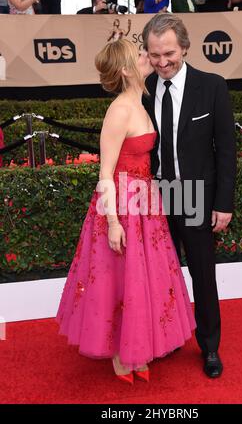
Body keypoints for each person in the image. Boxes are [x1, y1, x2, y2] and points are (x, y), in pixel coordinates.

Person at [56, 38, 196, 384]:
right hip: (122, 206)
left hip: (145, 203)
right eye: (140, 54)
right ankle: (121, 354)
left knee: (143, 279)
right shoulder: (119, 109)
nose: (148, 56)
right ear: (125, 68)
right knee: (119, 281)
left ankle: (137, 348)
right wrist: (114, 222)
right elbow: (105, 172)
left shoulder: (141, 102)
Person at [142, 13, 236, 378]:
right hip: (156, 195)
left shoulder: (212, 86)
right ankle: (167, 337)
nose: (163, 62)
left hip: (196, 193)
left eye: (169, 53)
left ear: (184, 47)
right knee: (160, 274)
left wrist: (223, 203)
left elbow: (226, 150)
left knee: (202, 273)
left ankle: (210, 347)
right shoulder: (145, 88)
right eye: (154, 55)